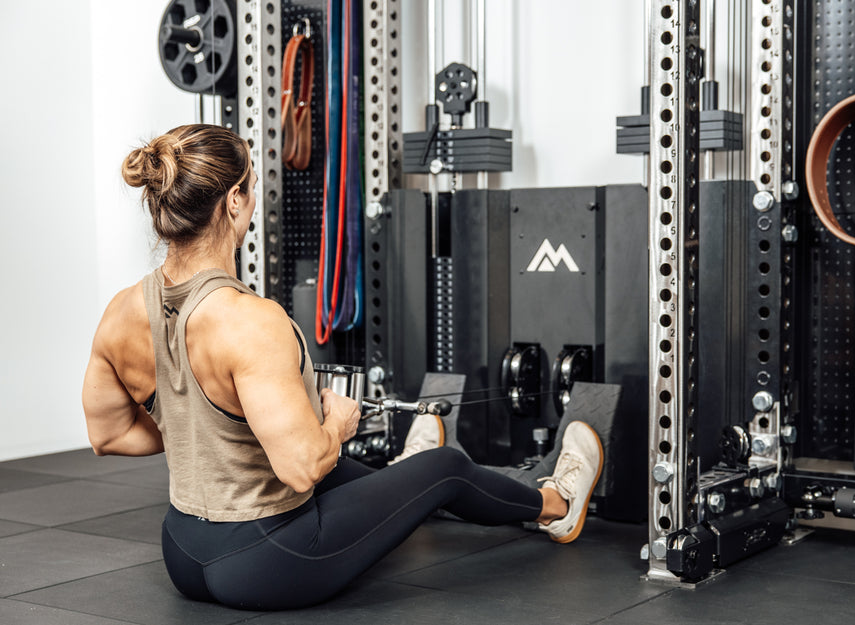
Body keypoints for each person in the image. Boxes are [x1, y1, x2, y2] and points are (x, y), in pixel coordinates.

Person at [81, 124, 604, 611]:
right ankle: (557, 505)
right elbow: (303, 468)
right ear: (234, 200)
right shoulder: (250, 321)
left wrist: (195, 423)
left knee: (363, 476)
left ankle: (406, 478)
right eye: (252, 188)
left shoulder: (121, 311)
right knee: (443, 468)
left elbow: (108, 435)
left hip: (184, 552)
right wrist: (339, 421)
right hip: (269, 563)